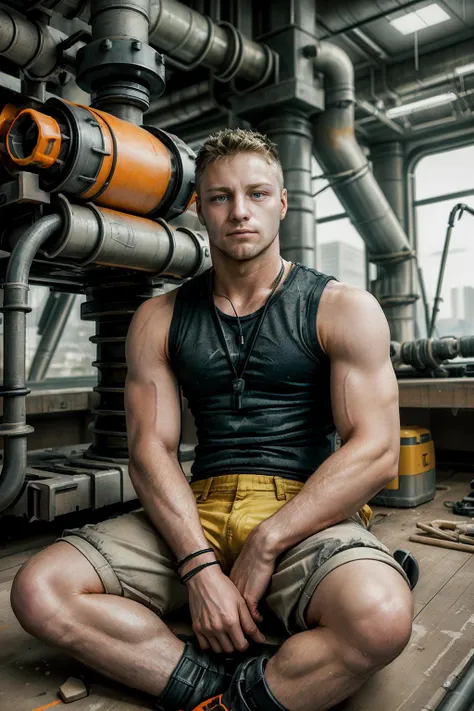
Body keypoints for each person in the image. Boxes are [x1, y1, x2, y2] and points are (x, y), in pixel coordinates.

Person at [11, 128, 414, 711]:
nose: (240, 212)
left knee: (380, 617)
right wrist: (200, 568)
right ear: (199, 208)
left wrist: (268, 542)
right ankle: (200, 681)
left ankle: (246, 702)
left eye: (256, 194)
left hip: (303, 509)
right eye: (221, 197)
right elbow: (151, 448)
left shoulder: (342, 308)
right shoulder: (159, 317)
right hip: (193, 508)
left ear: (282, 203)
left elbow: (375, 449)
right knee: (38, 591)